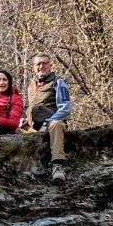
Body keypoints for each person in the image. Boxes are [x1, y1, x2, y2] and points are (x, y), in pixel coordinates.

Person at [23, 53, 71, 182]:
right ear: (33, 67)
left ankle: (57, 167)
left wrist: (47, 122)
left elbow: (65, 108)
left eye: (44, 63)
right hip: (35, 124)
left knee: (56, 125)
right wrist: (25, 120)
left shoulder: (58, 82)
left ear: (51, 65)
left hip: (53, 120)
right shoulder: (31, 85)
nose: (41, 66)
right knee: (17, 130)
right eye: (38, 64)